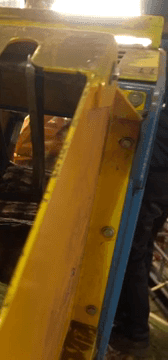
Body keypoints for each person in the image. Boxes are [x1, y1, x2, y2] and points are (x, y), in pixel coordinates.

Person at [108, 103, 168, 359]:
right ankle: (127, 325)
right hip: (160, 186)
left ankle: (134, 335)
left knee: (130, 255)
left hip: (151, 183)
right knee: (139, 256)